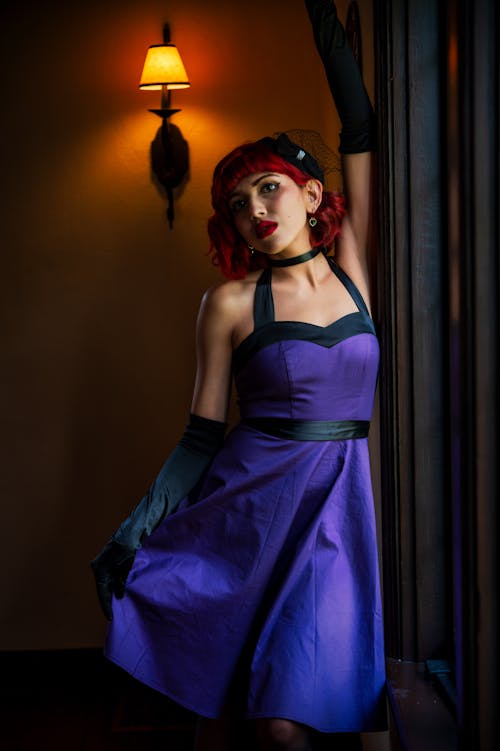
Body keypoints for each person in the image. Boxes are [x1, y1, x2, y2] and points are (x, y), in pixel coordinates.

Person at [91, 1, 386, 749]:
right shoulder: (226, 303)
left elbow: (362, 131)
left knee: (293, 716)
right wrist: (138, 529)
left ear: (311, 193)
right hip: (247, 511)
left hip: (337, 511)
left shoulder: (355, 269)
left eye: (269, 188)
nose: (255, 209)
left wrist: (324, 21)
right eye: (238, 201)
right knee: (265, 725)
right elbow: (200, 436)